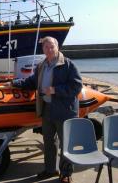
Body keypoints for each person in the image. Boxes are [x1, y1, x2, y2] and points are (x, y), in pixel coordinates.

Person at [11, 36, 82, 183]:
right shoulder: (42, 65)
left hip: (65, 111)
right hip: (47, 109)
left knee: (66, 143)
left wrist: (56, 90)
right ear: (42, 49)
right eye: (45, 47)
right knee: (48, 142)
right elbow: (31, 81)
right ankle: (50, 170)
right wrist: (14, 83)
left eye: (51, 47)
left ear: (57, 47)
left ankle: (66, 173)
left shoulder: (68, 65)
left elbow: (76, 86)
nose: (48, 50)